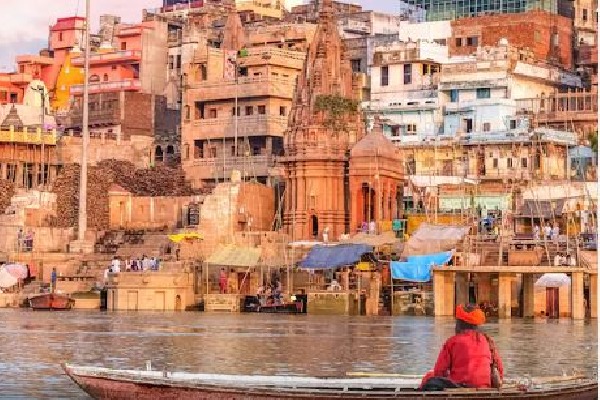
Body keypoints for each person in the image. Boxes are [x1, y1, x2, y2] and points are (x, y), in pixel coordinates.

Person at [420, 304, 504, 391]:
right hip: (484, 387)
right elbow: (500, 370)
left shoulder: (452, 342)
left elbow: (439, 371)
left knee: (429, 377)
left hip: (460, 386)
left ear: (459, 325)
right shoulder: (487, 340)